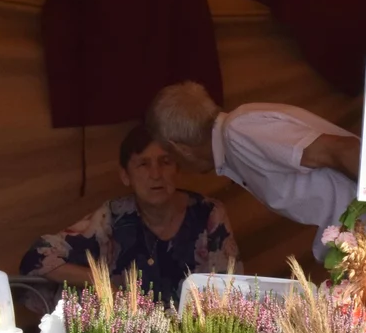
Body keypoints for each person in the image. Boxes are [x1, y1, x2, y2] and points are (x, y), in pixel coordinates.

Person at [146, 82, 366, 266]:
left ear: (180, 148)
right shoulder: (238, 134)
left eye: (168, 157)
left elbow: (342, 151)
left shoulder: (241, 132)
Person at [20, 125, 239, 306]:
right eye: (143, 164)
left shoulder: (209, 214)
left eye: (165, 162)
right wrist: (101, 282)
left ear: (177, 169)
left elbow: (231, 292)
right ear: (126, 176)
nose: (155, 175)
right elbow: (37, 257)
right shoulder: (114, 216)